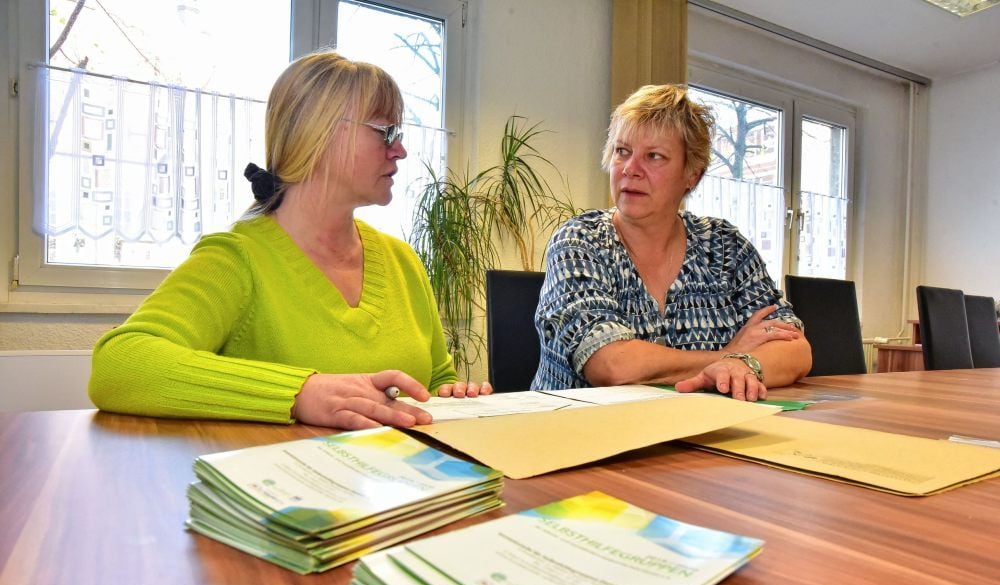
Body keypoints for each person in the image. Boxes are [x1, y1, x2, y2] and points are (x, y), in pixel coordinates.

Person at [89, 50, 490, 430]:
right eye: (386, 132)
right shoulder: (237, 258)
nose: (399, 150)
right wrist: (300, 393)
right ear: (317, 135)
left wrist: (451, 394)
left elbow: (436, 378)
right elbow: (119, 365)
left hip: (409, 489)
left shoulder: (403, 261)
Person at [532, 84, 811, 401]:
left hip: (696, 434)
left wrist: (744, 365)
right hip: (578, 437)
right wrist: (729, 356)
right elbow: (612, 365)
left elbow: (795, 347)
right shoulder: (581, 241)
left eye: (653, 156)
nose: (630, 169)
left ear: (692, 174)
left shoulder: (725, 248)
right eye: (622, 151)